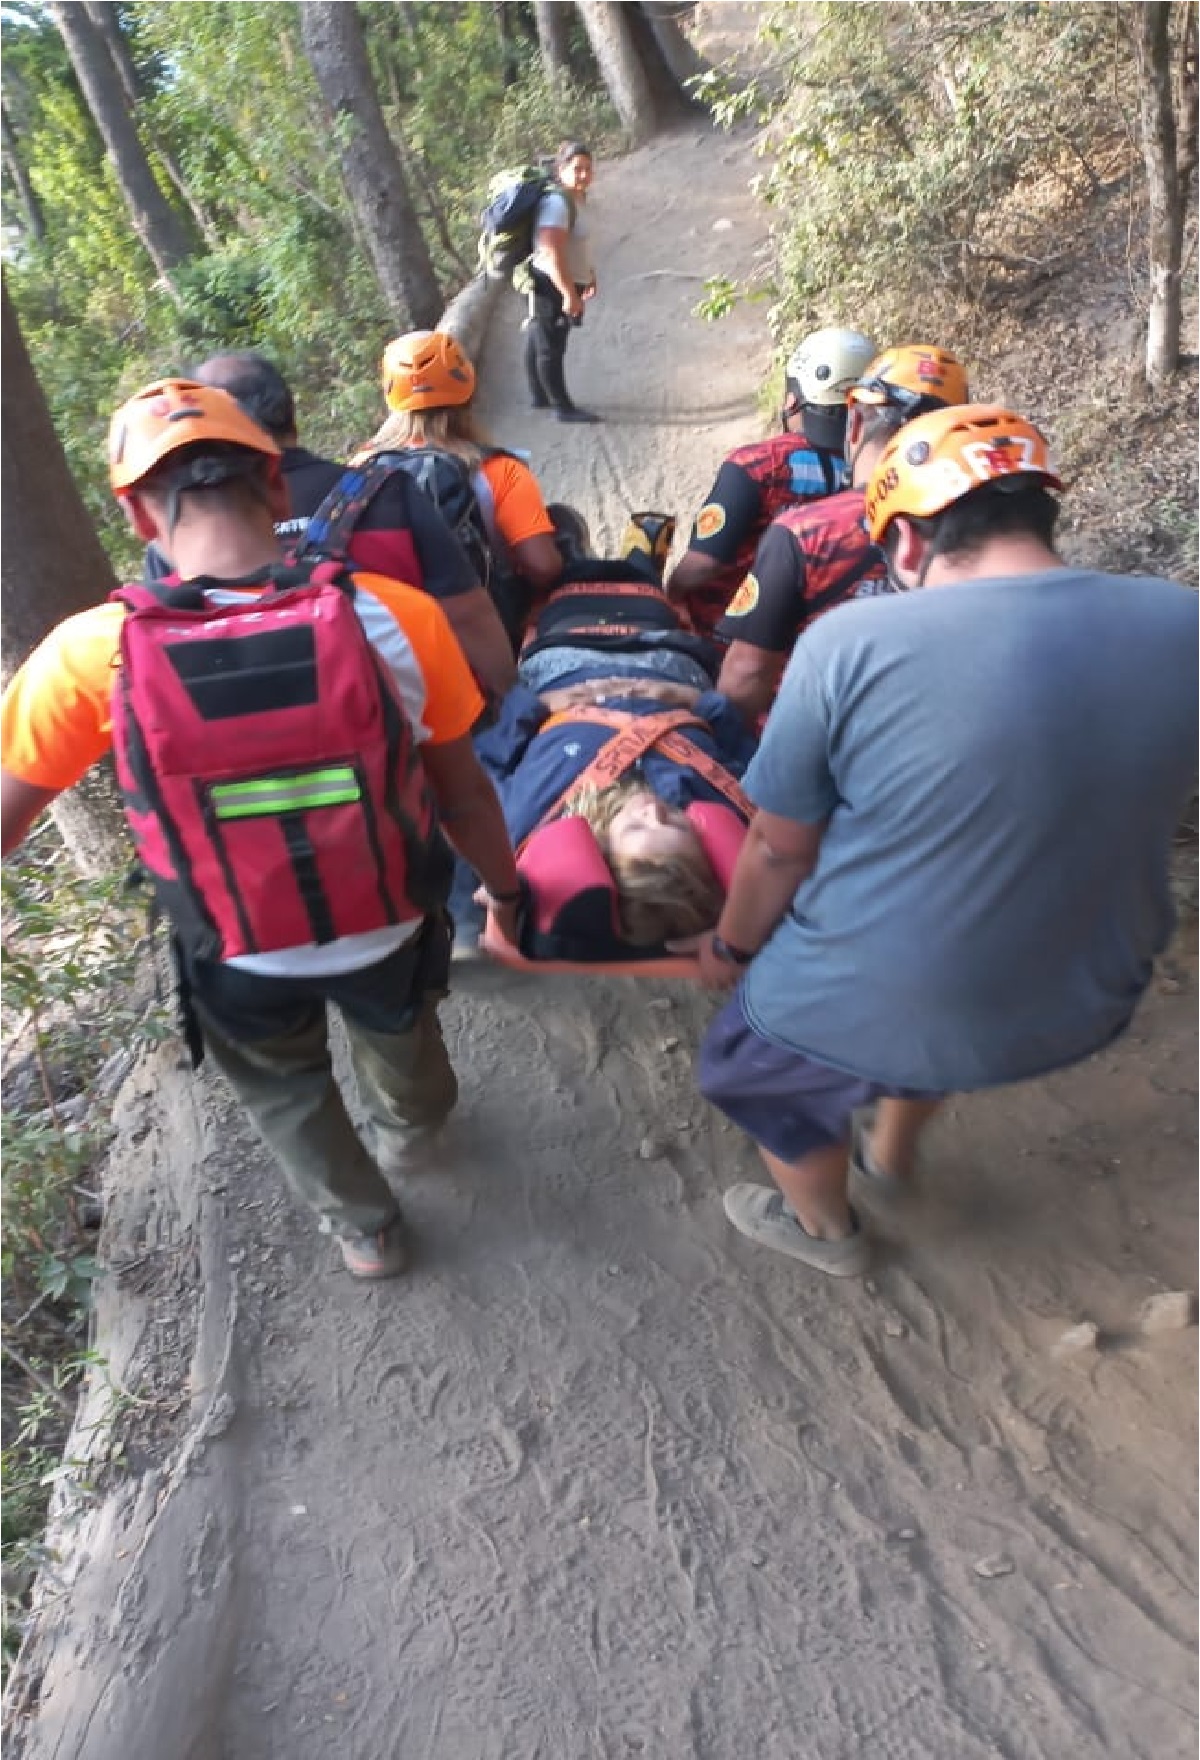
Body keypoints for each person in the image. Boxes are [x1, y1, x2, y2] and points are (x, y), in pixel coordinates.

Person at [1, 380, 525, 1283]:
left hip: (233, 946)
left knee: (285, 1090)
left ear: (135, 512)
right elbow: (466, 795)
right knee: (405, 1043)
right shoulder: (395, 615)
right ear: (277, 487)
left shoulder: (93, 652)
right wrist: (505, 896)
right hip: (390, 918)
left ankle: (366, 1230)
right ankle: (412, 1129)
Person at [683, 403, 1197, 1280]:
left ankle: (825, 1232)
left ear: (910, 543)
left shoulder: (849, 643)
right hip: (1093, 986)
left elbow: (777, 848)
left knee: (751, 1066)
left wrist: (730, 943)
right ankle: (892, 1152)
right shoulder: (1181, 621)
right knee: (934, 967)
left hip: (932, 996)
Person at [452, 508, 759, 956]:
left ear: (601, 849)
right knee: (648, 606)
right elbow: (746, 745)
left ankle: (575, 554)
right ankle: (636, 563)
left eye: (636, 827)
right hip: (669, 663)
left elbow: (484, 766)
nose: (654, 811)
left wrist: (536, 707)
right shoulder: (726, 805)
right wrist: (695, 702)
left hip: (570, 666)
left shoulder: (534, 817)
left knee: (567, 601)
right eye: (677, 824)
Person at [145, 351, 517, 705]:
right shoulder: (388, 492)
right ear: (289, 413)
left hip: (252, 750)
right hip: (417, 724)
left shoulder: (174, 546)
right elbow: (467, 615)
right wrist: (516, 704)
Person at [715, 345, 970, 719]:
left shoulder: (805, 533)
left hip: (820, 746)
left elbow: (745, 677)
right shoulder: (982, 531)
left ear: (854, 424)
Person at [664, 325, 878, 639]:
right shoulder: (884, 465)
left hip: (735, 638)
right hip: (840, 637)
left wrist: (671, 593)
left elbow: (703, 565)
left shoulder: (757, 466)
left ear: (793, 399)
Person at [362, 329, 563, 648]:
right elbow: (543, 567)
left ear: (390, 397)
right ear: (468, 388)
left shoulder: (360, 468)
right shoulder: (499, 470)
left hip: (392, 640)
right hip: (484, 638)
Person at [524, 140, 600, 424]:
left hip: (567, 279)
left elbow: (579, 244)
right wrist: (569, 293)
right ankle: (562, 407)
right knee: (551, 344)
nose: (583, 175)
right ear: (561, 169)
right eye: (577, 168)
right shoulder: (557, 203)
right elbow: (551, 251)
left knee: (538, 334)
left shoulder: (575, 199)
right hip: (550, 282)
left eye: (588, 169)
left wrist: (589, 275)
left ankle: (539, 394)